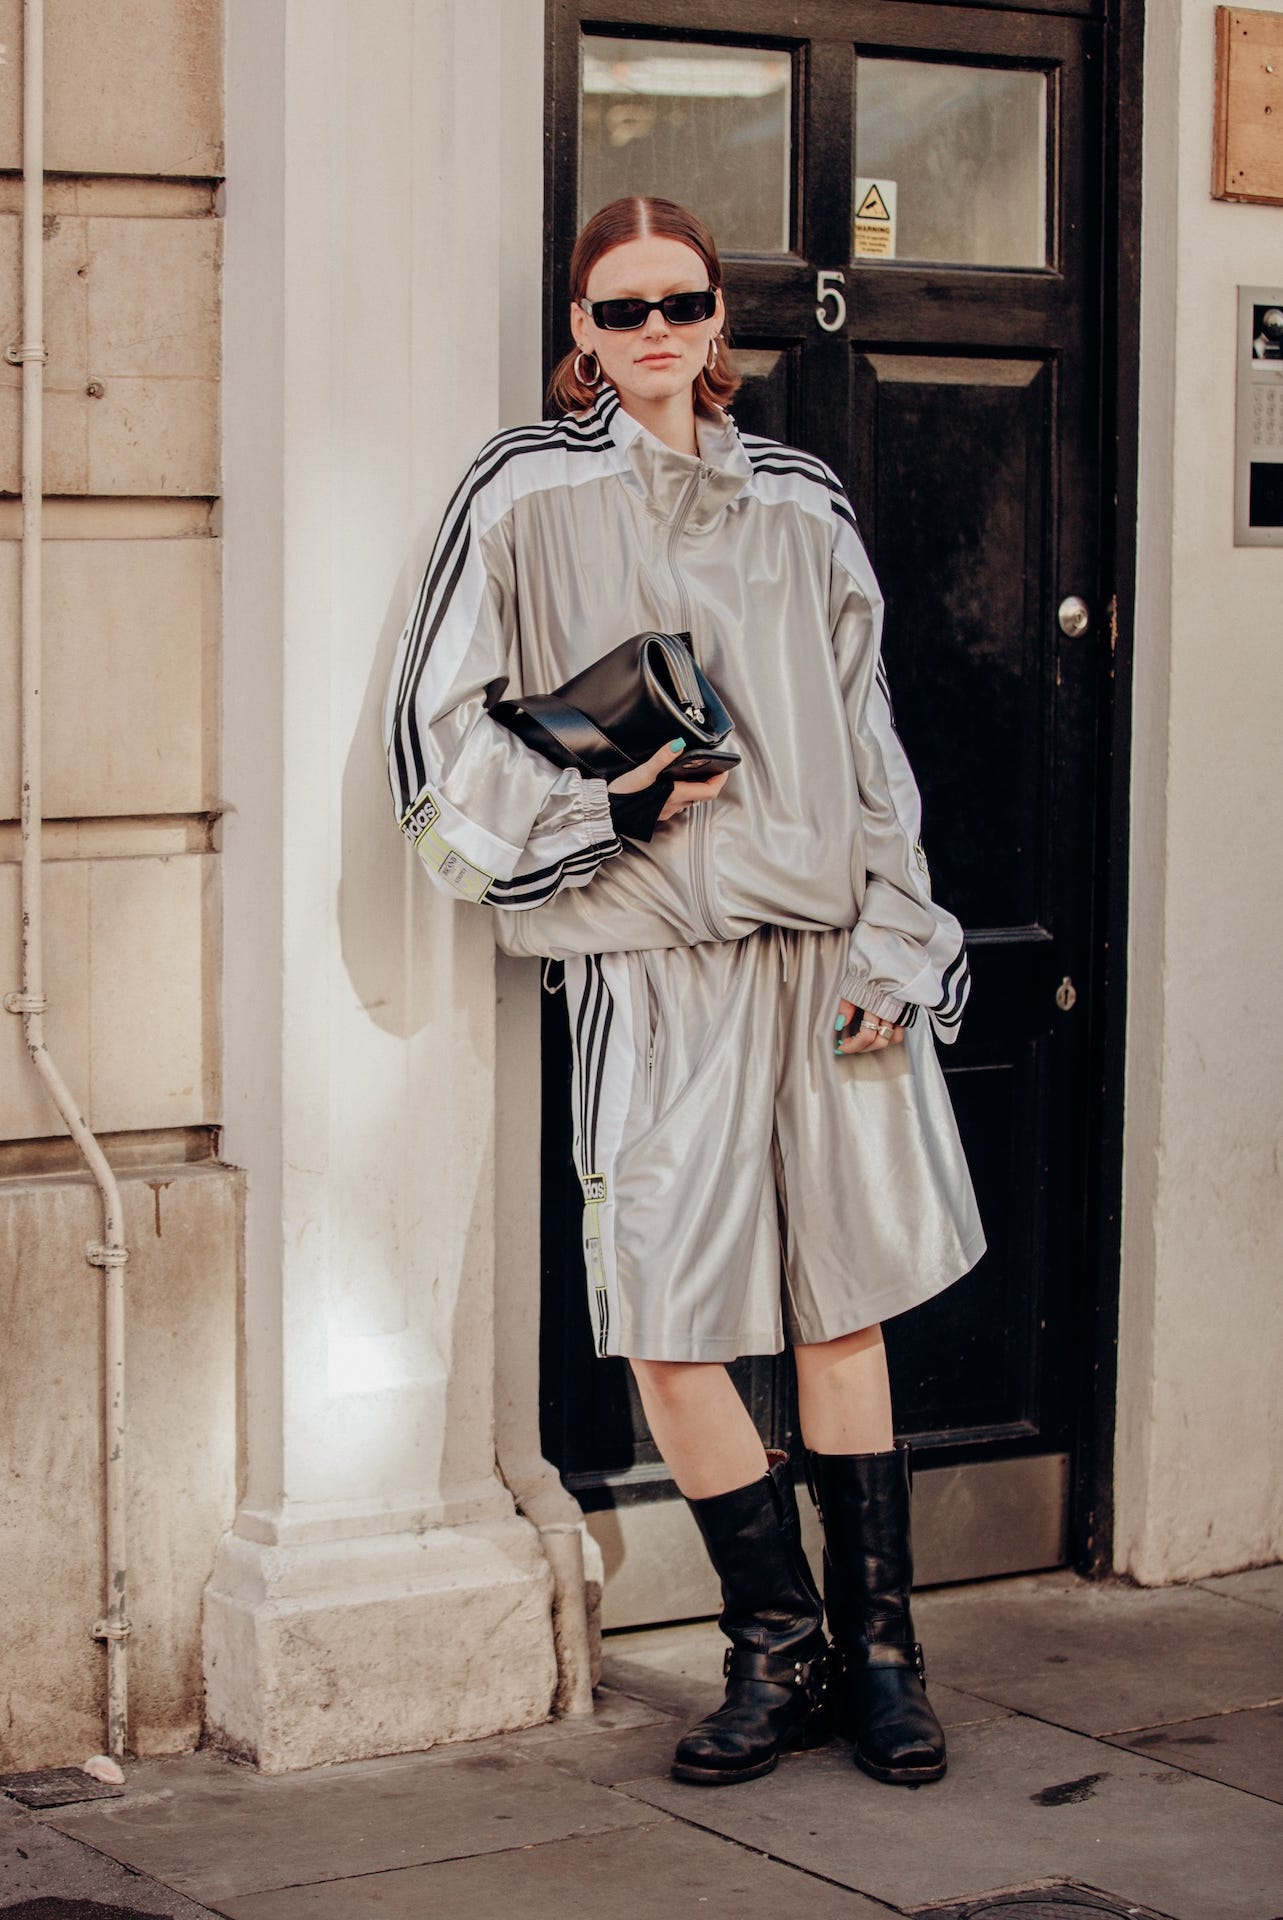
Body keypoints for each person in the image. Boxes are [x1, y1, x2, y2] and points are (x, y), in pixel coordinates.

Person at [383, 196, 985, 1790]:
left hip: (819, 947)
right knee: (666, 1321)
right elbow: (438, 747)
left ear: (724, 320)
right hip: (645, 965)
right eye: (622, 306)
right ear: (580, 329)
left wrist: (899, 947)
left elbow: (872, 749)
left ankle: (880, 1660)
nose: (656, 330)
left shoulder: (800, 498)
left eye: (684, 301)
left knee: (838, 1309)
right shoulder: (518, 493)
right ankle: (770, 1653)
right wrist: (609, 811)